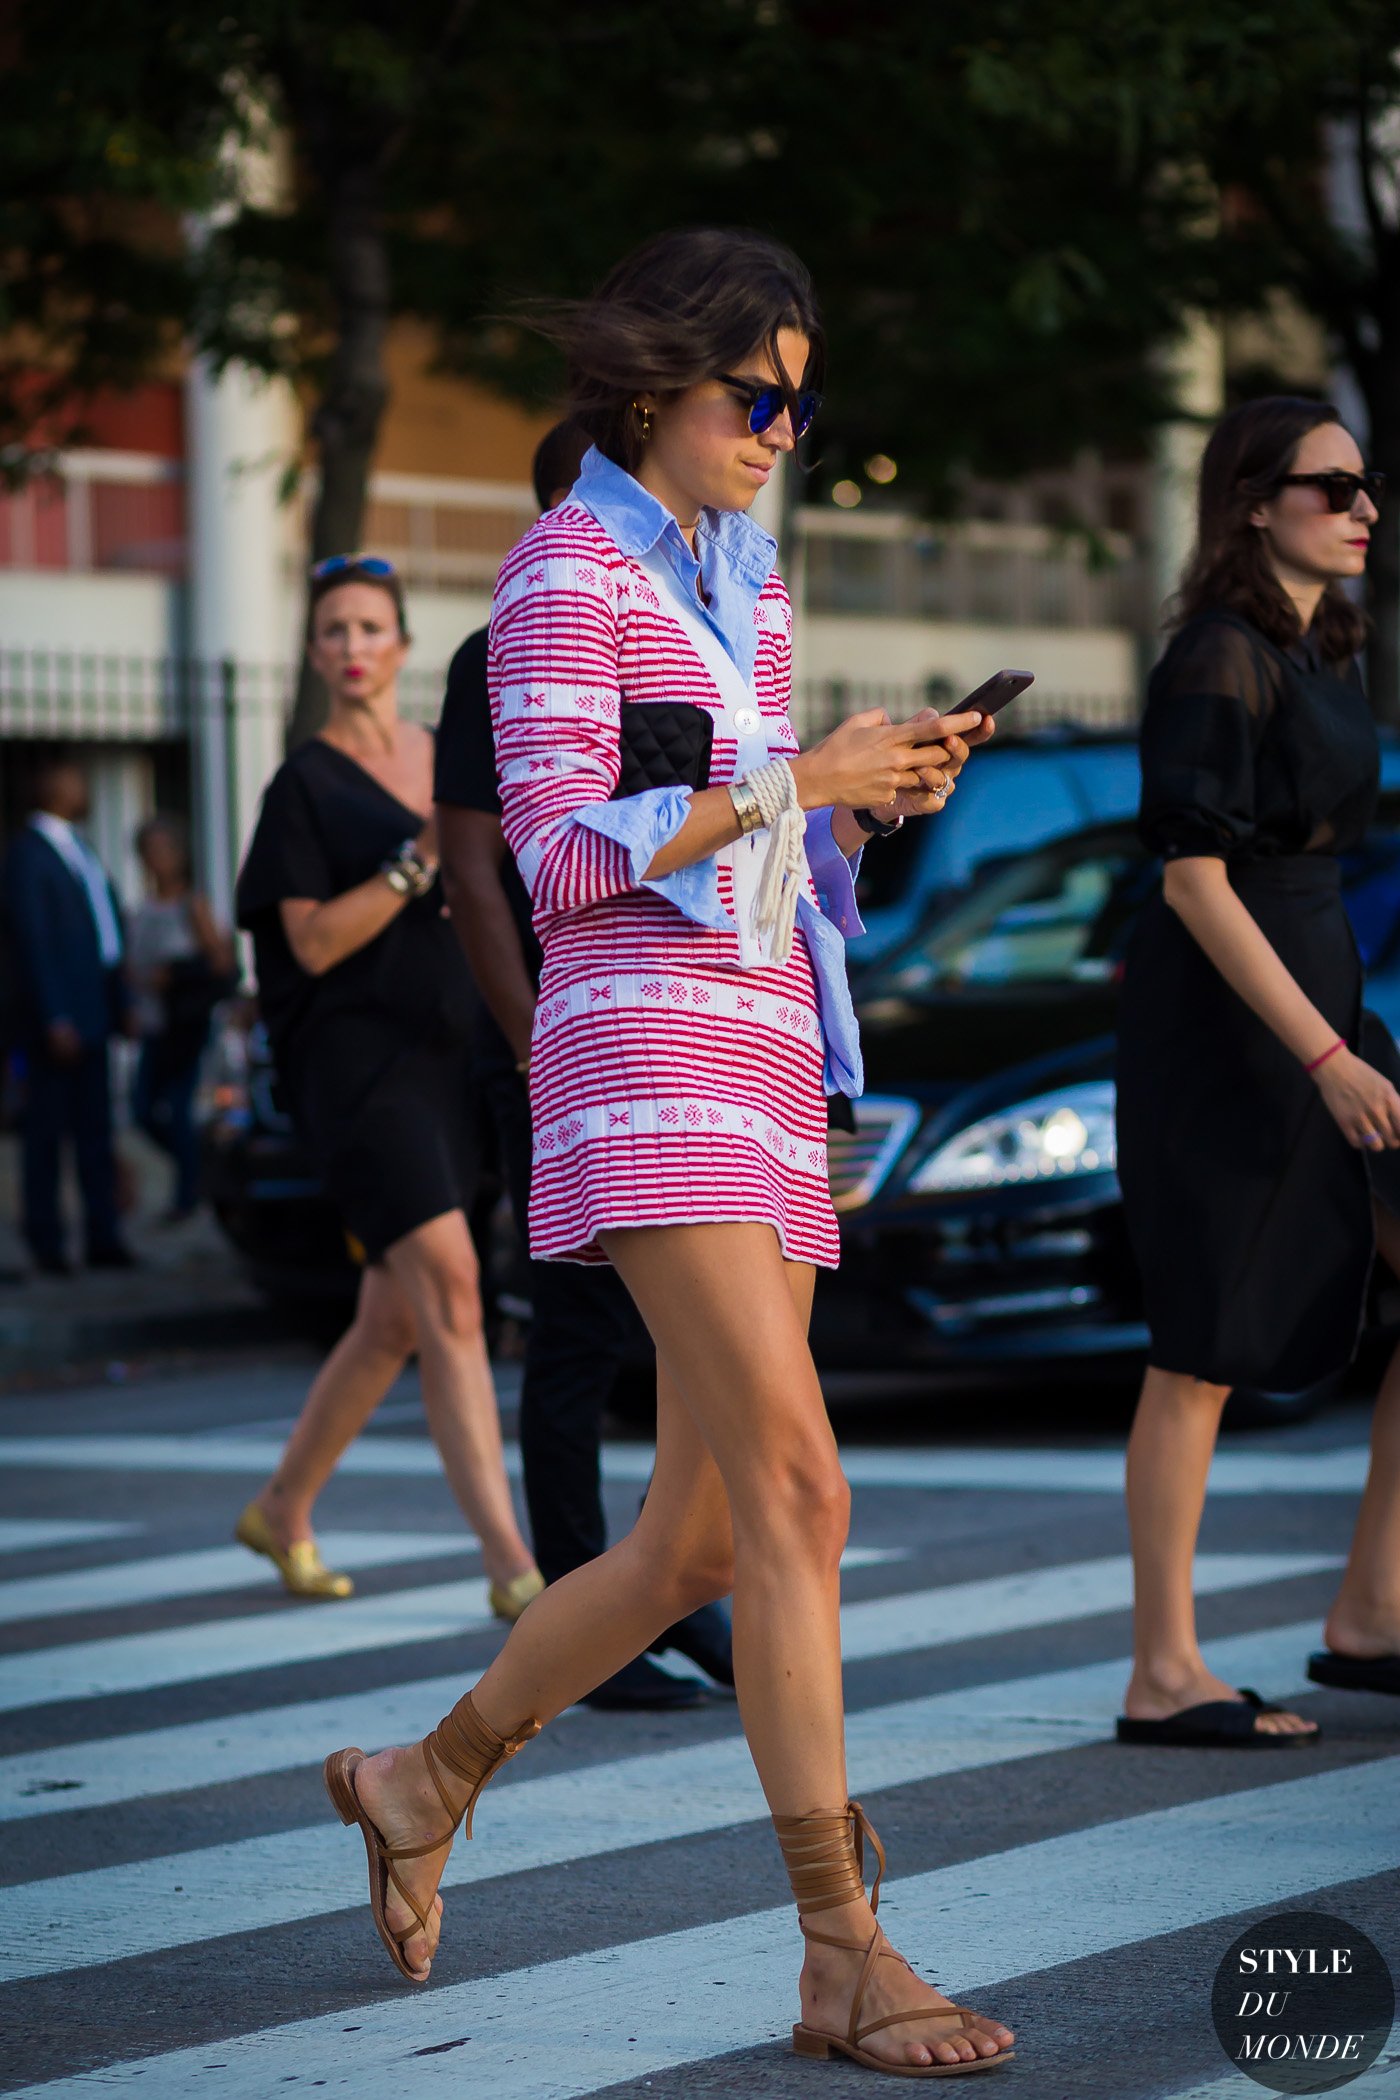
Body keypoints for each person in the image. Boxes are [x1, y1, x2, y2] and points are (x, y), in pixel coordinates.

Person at [323, 228, 1015, 2079]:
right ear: (654, 388)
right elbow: (557, 861)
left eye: (803, 397)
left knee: (699, 1538)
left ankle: (420, 1777)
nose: (786, 426)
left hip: (770, 1046)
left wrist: (872, 804)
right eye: (757, 394)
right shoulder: (564, 575)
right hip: (643, 1061)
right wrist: (800, 778)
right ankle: (841, 1951)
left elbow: (763, 855)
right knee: (804, 1496)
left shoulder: (751, 582)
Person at [1115, 394, 1400, 1747]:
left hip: (1318, 989)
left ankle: (1370, 1616)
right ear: (1249, 503)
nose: (1363, 508)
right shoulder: (1217, 655)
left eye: (1366, 487)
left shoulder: (1320, 646)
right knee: (1202, 1344)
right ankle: (1163, 1668)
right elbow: (1192, 881)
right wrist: (1328, 1054)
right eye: (1331, 487)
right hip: (1236, 1025)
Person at [436, 417, 734, 1712]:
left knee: (677, 1357)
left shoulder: (701, 614)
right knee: (572, 1334)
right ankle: (588, 1599)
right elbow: (482, 861)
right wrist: (526, 1035)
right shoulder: (518, 624)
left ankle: (671, 1588)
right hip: (571, 1030)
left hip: (689, 1038)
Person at [233, 555, 542, 1619]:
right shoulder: (303, 785)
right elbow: (310, 943)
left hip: (456, 1058)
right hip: (359, 1071)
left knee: (392, 1320)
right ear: (315, 655)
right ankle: (513, 1563)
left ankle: (282, 1506)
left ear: (403, 646)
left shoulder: (442, 749)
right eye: (332, 631)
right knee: (453, 1289)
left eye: (369, 628)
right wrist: (418, 866)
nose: (352, 647)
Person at [1, 757, 135, 1274]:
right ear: (49, 786)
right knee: (46, 1137)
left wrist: (118, 1004)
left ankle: (104, 1237)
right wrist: (56, 1015)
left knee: (95, 1133)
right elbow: (34, 942)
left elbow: (103, 932)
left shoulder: (80, 848)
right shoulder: (27, 856)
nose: (83, 788)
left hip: (95, 1013)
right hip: (53, 1025)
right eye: (74, 779)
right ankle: (47, 1244)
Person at [128, 815, 237, 1223]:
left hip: (187, 1027)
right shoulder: (141, 911)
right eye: (149, 852)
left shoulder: (193, 905)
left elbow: (223, 965)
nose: (157, 860)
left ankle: (187, 1194)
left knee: (177, 1109)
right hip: (153, 1027)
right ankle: (198, 1173)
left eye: (164, 851)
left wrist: (175, 974)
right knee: (143, 1111)